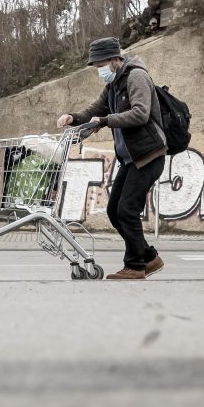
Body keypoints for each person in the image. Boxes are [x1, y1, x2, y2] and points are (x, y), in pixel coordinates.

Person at [57, 37, 166, 280]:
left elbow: (140, 113)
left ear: (115, 59)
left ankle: (136, 266)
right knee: (114, 210)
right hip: (131, 159)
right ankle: (149, 257)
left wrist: (105, 122)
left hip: (149, 154)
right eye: (96, 66)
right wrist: (73, 117)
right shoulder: (114, 85)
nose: (99, 70)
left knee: (127, 210)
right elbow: (96, 110)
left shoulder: (136, 77)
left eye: (100, 64)